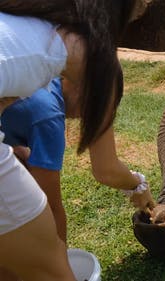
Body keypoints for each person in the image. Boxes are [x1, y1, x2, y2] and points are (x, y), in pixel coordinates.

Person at [0, 1, 155, 280]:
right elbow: (103, 171)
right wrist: (138, 185)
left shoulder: (34, 26)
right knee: (51, 265)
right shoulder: (91, 59)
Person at [1, 77, 155, 244]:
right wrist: (61, 264)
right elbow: (50, 208)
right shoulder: (48, 118)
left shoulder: (45, 79)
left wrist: (137, 186)